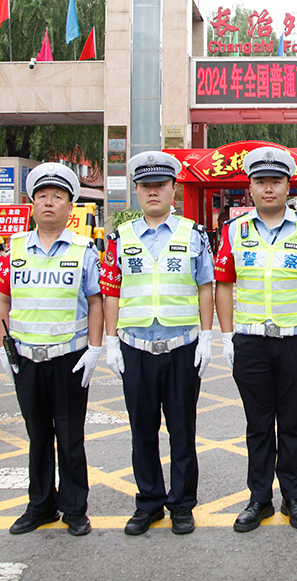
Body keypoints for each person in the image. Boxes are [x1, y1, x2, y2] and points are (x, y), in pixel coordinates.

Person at [214, 146, 297, 533]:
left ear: (288, 187)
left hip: (296, 341)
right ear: (249, 188)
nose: (269, 188)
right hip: (250, 342)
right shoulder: (234, 231)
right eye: (261, 182)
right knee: (257, 423)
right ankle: (259, 499)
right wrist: (226, 336)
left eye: (276, 181)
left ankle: (293, 497)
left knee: (292, 422)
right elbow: (223, 283)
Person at [101, 151, 214, 537]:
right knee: (142, 431)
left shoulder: (194, 234)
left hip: (182, 345)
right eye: (146, 186)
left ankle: (182, 504)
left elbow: (205, 287)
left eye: (160, 186)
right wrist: (111, 341)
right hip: (135, 348)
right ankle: (148, 502)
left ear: (173, 190)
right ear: (135, 191)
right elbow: (111, 291)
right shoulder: (120, 238)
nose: (153, 192)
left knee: (182, 431)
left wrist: (207, 335)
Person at [0, 163, 104, 537]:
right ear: (31, 204)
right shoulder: (14, 249)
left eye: (58, 197)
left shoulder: (85, 250)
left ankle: (74, 509)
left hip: (69, 357)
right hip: (27, 359)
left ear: (71, 207)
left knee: (71, 438)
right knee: (37, 435)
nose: (49, 203)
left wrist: (96, 349)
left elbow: (96, 301)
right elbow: (2, 300)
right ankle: (40, 505)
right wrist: (5, 348)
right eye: (42, 196)